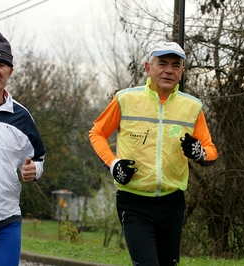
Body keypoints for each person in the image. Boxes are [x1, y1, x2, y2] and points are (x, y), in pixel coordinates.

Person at [89, 41, 218, 266]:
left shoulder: (192, 107)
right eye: (163, 63)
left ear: (182, 72)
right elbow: (97, 133)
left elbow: (211, 150)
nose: (169, 70)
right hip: (134, 202)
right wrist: (113, 164)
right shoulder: (125, 99)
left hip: (172, 204)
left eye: (175, 65)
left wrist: (199, 153)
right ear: (148, 68)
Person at [0, 31, 45, 266]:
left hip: (5, 223)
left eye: (1, 64)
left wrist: (33, 171)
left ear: (10, 71)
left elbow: (38, 158)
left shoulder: (22, 117)